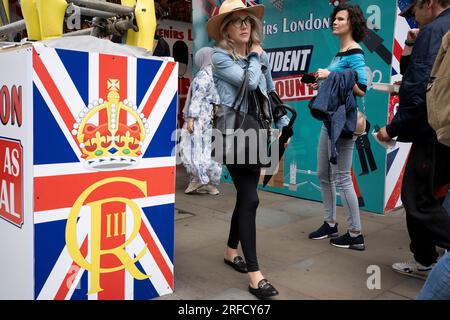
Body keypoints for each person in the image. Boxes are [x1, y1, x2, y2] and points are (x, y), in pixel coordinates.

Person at [206, 0, 289, 299]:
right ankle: (255, 275)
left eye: (247, 20)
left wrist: (281, 125)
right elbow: (250, 82)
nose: (244, 24)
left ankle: (231, 252)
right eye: (237, 21)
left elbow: (269, 90)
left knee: (246, 198)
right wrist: (255, 56)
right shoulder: (219, 57)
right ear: (226, 29)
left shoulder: (259, 56)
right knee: (251, 199)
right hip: (231, 133)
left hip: (256, 131)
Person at [377, 0, 450, 279]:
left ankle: (429, 261)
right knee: (431, 197)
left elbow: (419, 90)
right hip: (442, 131)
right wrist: (409, 46)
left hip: (433, 133)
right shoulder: (435, 31)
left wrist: (394, 129)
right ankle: (426, 261)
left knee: (418, 200)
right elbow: (417, 76)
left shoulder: (435, 31)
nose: (415, 19)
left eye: (415, 12)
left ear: (428, 4)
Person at [307, 4, 368, 251]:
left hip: (343, 122)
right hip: (330, 120)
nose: (334, 22)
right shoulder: (341, 53)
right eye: (335, 18)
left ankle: (356, 234)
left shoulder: (355, 53)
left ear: (351, 23)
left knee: (342, 177)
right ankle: (330, 223)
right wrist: (322, 83)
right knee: (324, 174)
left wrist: (329, 76)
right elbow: (339, 85)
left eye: (340, 19)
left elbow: (361, 88)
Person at [180, 47, 222, 195]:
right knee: (205, 151)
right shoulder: (215, 75)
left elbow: (196, 99)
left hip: (198, 120)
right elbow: (217, 101)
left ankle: (199, 179)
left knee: (190, 150)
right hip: (207, 120)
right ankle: (208, 183)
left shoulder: (202, 76)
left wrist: (190, 119)